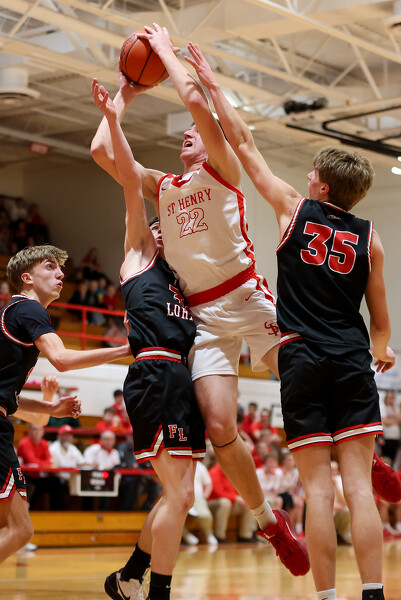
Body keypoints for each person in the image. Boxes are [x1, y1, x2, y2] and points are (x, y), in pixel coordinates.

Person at [91, 24, 309, 578]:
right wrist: (126, 95)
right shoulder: (164, 187)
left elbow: (195, 101)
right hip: (203, 316)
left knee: (307, 379)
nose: (188, 134)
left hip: (245, 294)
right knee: (218, 426)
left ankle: (365, 453)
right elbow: (102, 152)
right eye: (185, 134)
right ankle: (268, 521)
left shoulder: (223, 168)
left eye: (196, 130)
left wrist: (165, 52)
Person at [185, 43, 397, 600]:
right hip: (350, 357)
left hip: (301, 357)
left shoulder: (292, 210)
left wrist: (212, 83)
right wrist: (382, 349)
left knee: (318, 493)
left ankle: (326, 597)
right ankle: (373, 592)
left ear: (321, 187)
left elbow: (243, 143)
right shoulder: (371, 238)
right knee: (359, 490)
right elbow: (380, 322)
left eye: (311, 174)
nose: (305, 177)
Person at [92, 80, 206, 600]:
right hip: (155, 372)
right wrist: (116, 115)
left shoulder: (183, 281)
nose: (163, 231)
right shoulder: (140, 255)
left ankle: (129, 576)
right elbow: (126, 183)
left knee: (180, 495)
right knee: (179, 495)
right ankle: (157, 591)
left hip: (181, 378)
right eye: (158, 227)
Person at [0, 244, 130, 565]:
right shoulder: (29, 309)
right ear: (27, 278)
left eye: (60, 269)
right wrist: (125, 348)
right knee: (19, 530)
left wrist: (50, 409)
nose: (60, 274)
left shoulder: (13, 313)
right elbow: (61, 358)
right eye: (50, 267)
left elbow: (9, 399)